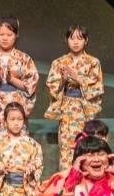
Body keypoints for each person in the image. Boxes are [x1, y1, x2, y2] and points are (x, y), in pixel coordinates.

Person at [0, 16, 38, 163]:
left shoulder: (24, 59)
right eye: (1, 34)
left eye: (9, 35)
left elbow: (31, 85)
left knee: (18, 148)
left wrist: (12, 80)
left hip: (16, 107)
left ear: (16, 35)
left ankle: (18, 176)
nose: (4, 38)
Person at [44, 24, 104, 170]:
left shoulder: (93, 62)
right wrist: (63, 80)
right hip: (67, 109)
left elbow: (97, 87)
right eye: (72, 38)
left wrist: (79, 79)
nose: (76, 42)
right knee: (66, 148)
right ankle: (67, 181)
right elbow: (53, 88)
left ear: (86, 40)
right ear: (67, 40)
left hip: (85, 110)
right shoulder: (59, 62)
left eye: (80, 38)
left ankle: (87, 179)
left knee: (87, 146)